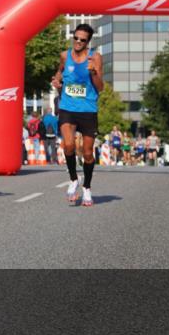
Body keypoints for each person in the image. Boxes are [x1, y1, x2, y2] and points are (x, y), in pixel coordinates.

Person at [51, 23, 104, 207]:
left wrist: (93, 73)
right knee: (68, 145)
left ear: (88, 42)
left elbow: (100, 87)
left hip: (88, 110)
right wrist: (57, 81)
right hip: (68, 107)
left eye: (82, 40)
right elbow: (60, 71)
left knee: (88, 154)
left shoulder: (95, 58)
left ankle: (87, 188)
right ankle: (74, 179)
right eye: (76, 38)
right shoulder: (65, 56)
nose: (78, 42)